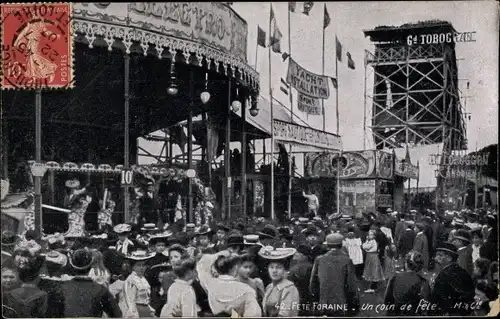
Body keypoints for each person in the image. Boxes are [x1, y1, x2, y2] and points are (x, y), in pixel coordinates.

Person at [60, 248, 122, 317]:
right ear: (90, 267)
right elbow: (117, 314)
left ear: (73, 266)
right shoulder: (101, 290)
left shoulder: (62, 288)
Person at [197, 250, 261, 317]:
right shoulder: (247, 290)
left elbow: (203, 265)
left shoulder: (211, 286)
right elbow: (255, 314)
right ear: (235, 268)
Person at [310, 233, 360, 316]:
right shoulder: (347, 260)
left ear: (328, 245)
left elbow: (313, 283)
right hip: (341, 300)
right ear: (341, 245)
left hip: (324, 299)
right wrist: (354, 298)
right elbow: (351, 284)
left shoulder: (319, 259)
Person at [428, 242, 475, 316]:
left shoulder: (443, 275)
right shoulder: (463, 272)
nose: (435, 258)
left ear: (449, 258)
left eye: (440, 255)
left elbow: (436, 300)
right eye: (436, 255)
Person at [384, 251, 430, 316]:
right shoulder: (424, 282)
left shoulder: (394, 277)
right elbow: (424, 308)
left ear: (406, 264)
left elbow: (387, 301)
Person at [259, 246, 300, 317]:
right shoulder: (269, 287)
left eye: (279, 267)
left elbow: (285, 314)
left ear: (285, 270)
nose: (274, 271)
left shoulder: (289, 289)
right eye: (271, 267)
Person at [121, 249, 156, 317]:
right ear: (133, 267)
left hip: (146, 309)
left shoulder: (143, 279)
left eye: (143, 265)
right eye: (139, 265)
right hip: (137, 310)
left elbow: (146, 297)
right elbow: (130, 301)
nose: (142, 268)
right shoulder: (131, 280)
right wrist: (134, 315)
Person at [288, 244, 314, 316]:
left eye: (297, 253)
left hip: (297, 298)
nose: (295, 254)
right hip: (308, 299)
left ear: (303, 255)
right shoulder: (311, 266)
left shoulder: (297, 268)